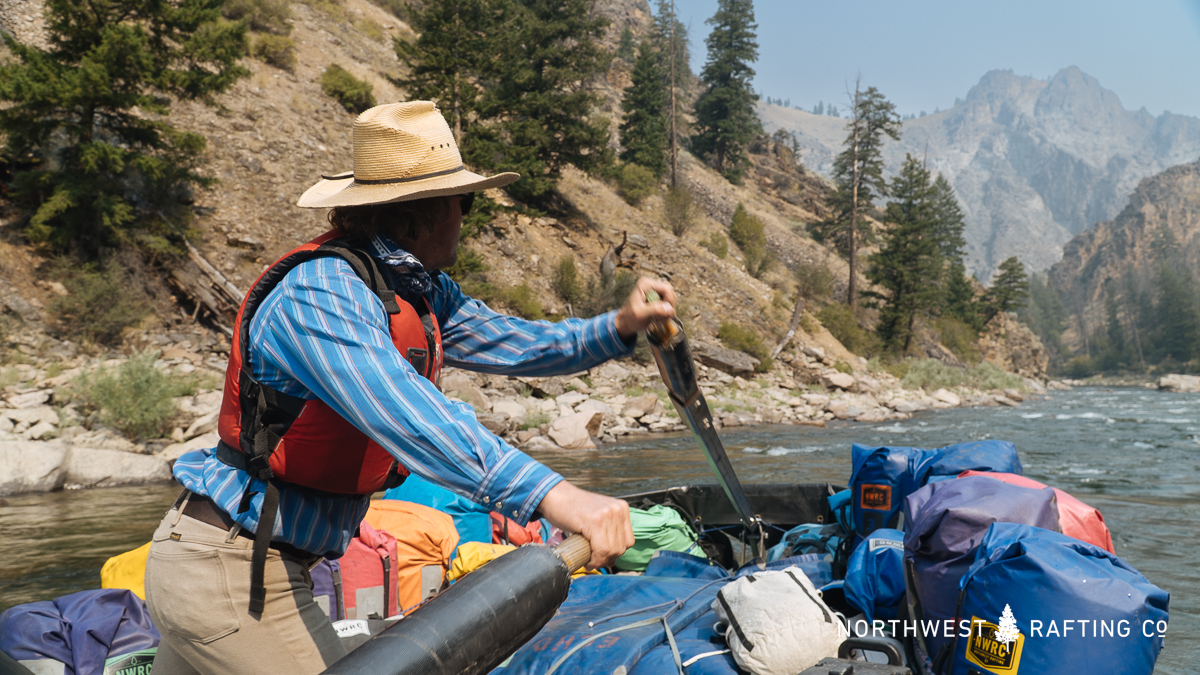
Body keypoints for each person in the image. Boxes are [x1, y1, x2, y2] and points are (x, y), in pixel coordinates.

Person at [144, 101, 678, 674]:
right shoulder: (320, 294)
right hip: (231, 571)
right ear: (419, 212)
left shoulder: (415, 291)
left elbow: (523, 345)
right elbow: (412, 417)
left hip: (256, 564)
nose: (465, 216)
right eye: (462, 201)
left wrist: (621, 325)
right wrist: (562, 498)